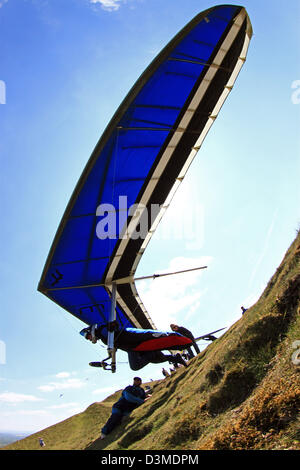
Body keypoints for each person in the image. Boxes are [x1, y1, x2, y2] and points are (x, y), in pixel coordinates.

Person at [80, 321, 189, 370]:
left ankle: (153, 352)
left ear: (91, 331)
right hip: (131, 348)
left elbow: (113, 327)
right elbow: (112, 345)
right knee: (151, 361)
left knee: (137, 364)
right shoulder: (102, 336)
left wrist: (113, 326)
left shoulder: (102, 329)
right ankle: (176, 358)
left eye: (88, 336)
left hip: (132, 340)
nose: (89, 339)